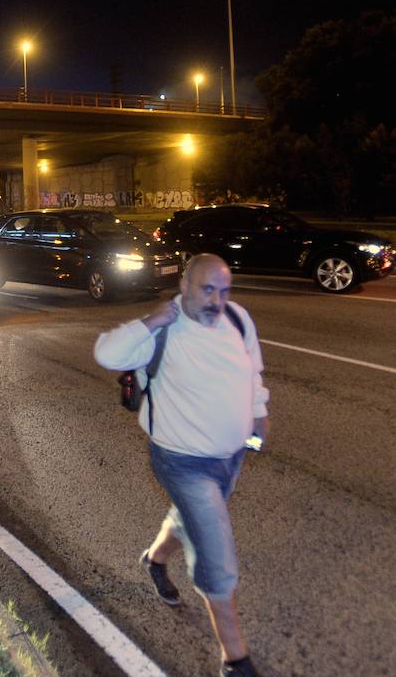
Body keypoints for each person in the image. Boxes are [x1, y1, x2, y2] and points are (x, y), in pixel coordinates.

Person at [94, 254, 269, 677]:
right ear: (185, 286)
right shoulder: (164, 329)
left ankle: (154, 559)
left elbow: (253, 373)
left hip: (231, 456)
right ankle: (235, 659)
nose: (217, 300)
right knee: (215, 547)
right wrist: (153, 320)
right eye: (207, 289)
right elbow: (106, 352)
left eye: (224, 290)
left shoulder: (238, 319)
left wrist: (258, 418)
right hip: (181, 460)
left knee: (189, 517)